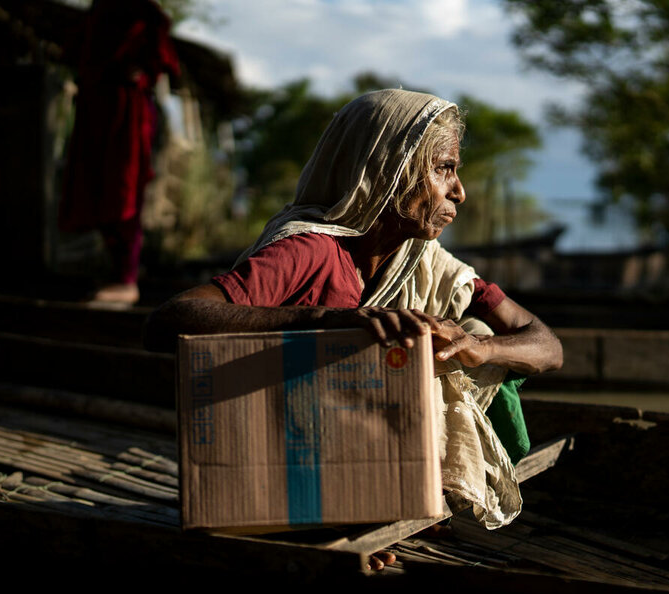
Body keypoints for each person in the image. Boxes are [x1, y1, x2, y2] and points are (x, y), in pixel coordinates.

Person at [144, 89, 563, 569]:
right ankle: (341, 520)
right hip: (278, 474)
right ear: (390, 170)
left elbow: (546, 347)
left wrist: (474, 347)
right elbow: (169, 321)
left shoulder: (423, 260)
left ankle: (390, 504)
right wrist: (329, 322)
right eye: (444, 168)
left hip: (351, 467)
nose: (459, 191)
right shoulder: (311, 251)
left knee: (468, 329)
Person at [59, 0, 180, 305]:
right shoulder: (100, 10)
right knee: (94, 189)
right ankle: (120, 271)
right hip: (96, 108)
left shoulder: (143, 13)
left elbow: (159, 52)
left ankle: (126, 279)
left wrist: (138, 71)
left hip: (127, 110)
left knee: (122, 191)